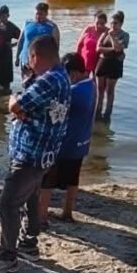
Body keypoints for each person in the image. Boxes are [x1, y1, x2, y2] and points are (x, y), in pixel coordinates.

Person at [0, 35, 71, 273]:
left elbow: (15, 105)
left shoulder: (48, 80)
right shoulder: (61, 76)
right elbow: (34, 110)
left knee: (7, 204)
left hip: (31, 154)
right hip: (43, 153)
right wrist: (23, 110)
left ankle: (7, 257)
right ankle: (29, 244)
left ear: (35, 56)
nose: (29, 66)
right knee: (30, 197)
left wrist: (14, 102)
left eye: (30, 60)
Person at [37, 53, 96, 223]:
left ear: (74, 73)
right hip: (81, 142)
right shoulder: (91, 85)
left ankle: (41, 217)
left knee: (47, 180)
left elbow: (52, 109)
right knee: (72, 179)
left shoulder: (74, 91)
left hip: (64, 143)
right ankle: (67, 212)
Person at [95, 10, 129, 121]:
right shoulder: (105, 33)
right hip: (103, 61)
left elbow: (119, 48)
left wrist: (113, 38)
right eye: (112, 23)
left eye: (115, 23)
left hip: (115, 64)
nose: (113, 25)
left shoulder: (124, 35)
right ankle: (98, 111)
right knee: (100, 89)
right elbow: (98, 48)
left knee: (110, 90)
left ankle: (108, 113)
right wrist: (112, 49)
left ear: (121, 24)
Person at [15, 2, 60, 70]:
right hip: (25, 62)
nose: (38, 16)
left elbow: (55, 48)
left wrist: (54, 63)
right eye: (37, 14)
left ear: (46, 14)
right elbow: (21, 41)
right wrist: (17, 58)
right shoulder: (27, 24)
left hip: (42, 64)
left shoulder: (52, 27)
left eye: (41, 14)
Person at [0, 5, 21, 93]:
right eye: (0, 16)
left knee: (6, 69)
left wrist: (13, 45)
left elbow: (21, 37)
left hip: (6, 51)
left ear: (8, 15)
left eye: (3, 16)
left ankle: (6, 88)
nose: (1, 18)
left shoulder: (11, 26)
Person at [75, 11, 108, 78]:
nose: (99, 25)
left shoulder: (108, 32)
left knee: (97, 83)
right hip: (86, 60)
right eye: (97, 23)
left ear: (105, 23)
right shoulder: (88, 29)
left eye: (102, 23)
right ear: (94, 22)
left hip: (99, 61)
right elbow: (79, 44)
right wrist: (77, 60)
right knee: (84, 80)